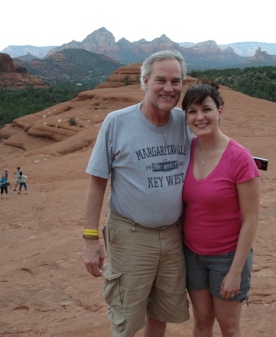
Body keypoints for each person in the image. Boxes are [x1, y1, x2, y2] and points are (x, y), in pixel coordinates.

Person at [82, 50, 192, 337]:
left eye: (176, 81)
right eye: (161, 80)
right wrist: (90, 239)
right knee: (126, 315)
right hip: (130, 235)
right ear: (144, 81)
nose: (169, 88)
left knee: (160, 311)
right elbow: (97, 182)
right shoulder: (117, 122)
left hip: (174, 235)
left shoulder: (186, 122)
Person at [181, 83, 261, 337]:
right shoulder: (188, 149)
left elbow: (251, 219)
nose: (199, 117)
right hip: (192, 255)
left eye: (206, 109)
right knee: (202, 321)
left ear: (220, 111)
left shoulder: (239, 157)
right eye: (192, 111)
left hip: (226, 258)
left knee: (228, 326)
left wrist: (236, 271)